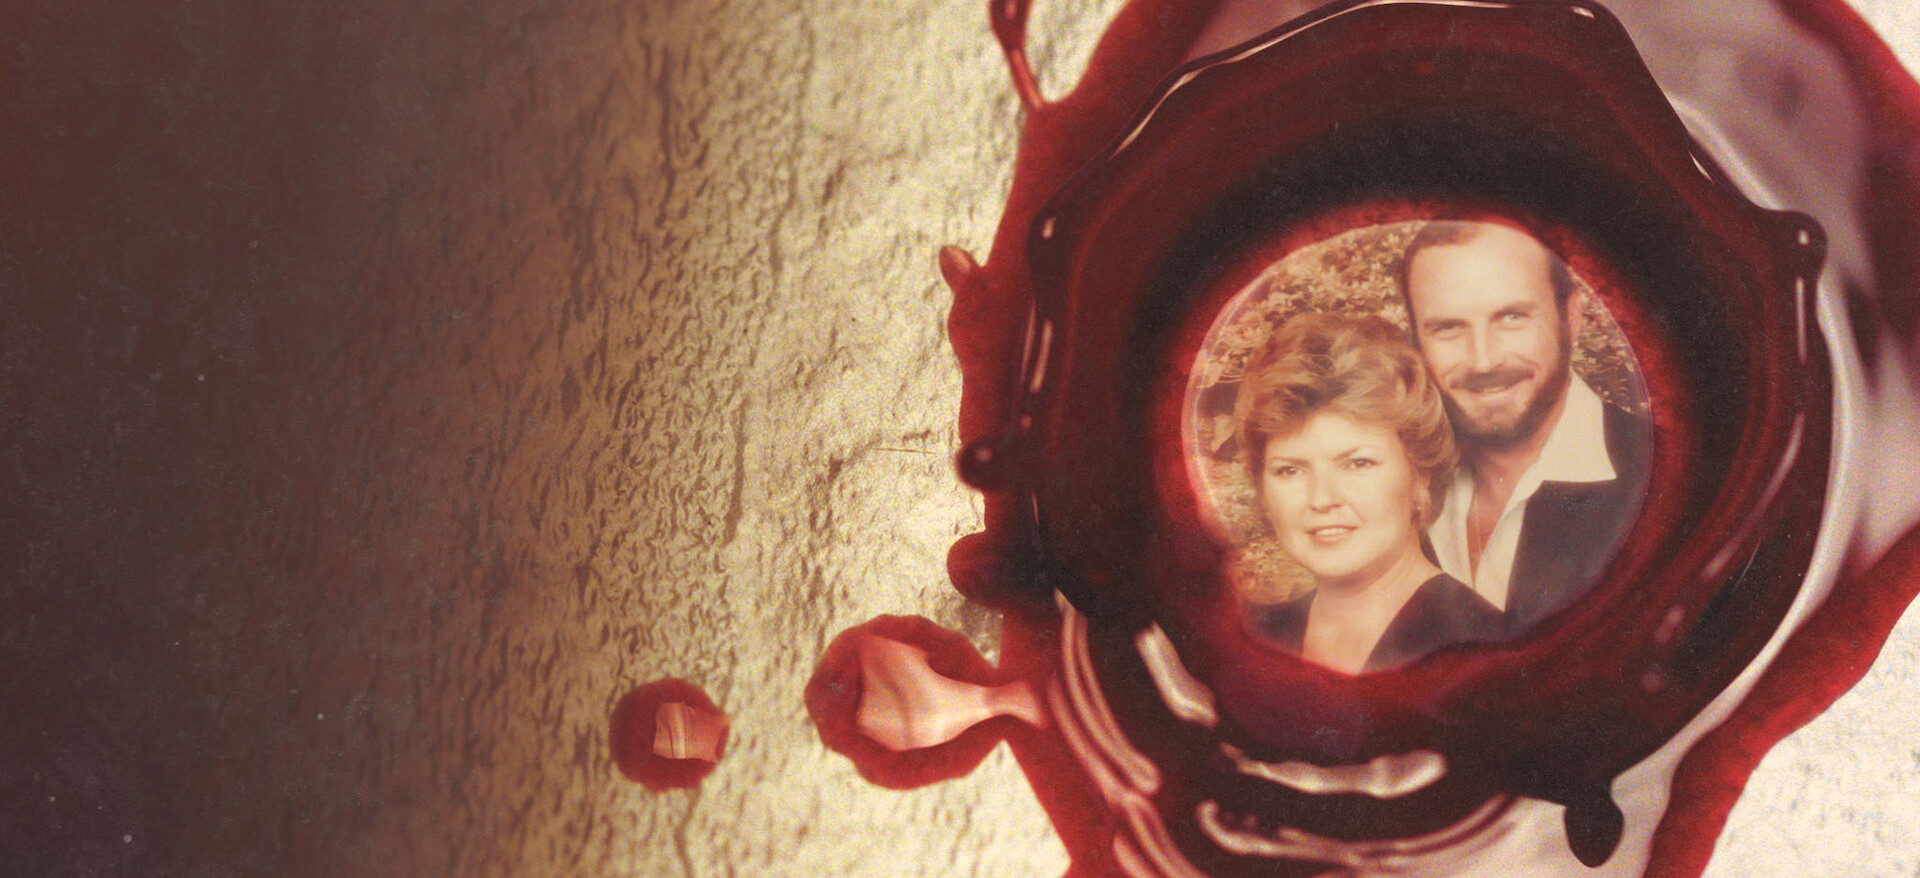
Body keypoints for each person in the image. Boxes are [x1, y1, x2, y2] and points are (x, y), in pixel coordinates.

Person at [1397, 220, 1652, 634]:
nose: (1483, 360)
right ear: (1416, 341)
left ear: (1571, 319)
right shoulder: (1404, 484)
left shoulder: (1668, 477)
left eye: (1511, 317)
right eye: (1448, 328)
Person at [1237, 312, 1504, 674]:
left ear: (1420, 476)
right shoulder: (1252, 640)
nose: (1321, 499)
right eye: (1290, 470)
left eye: (1357, 463)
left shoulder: (1486, 651)